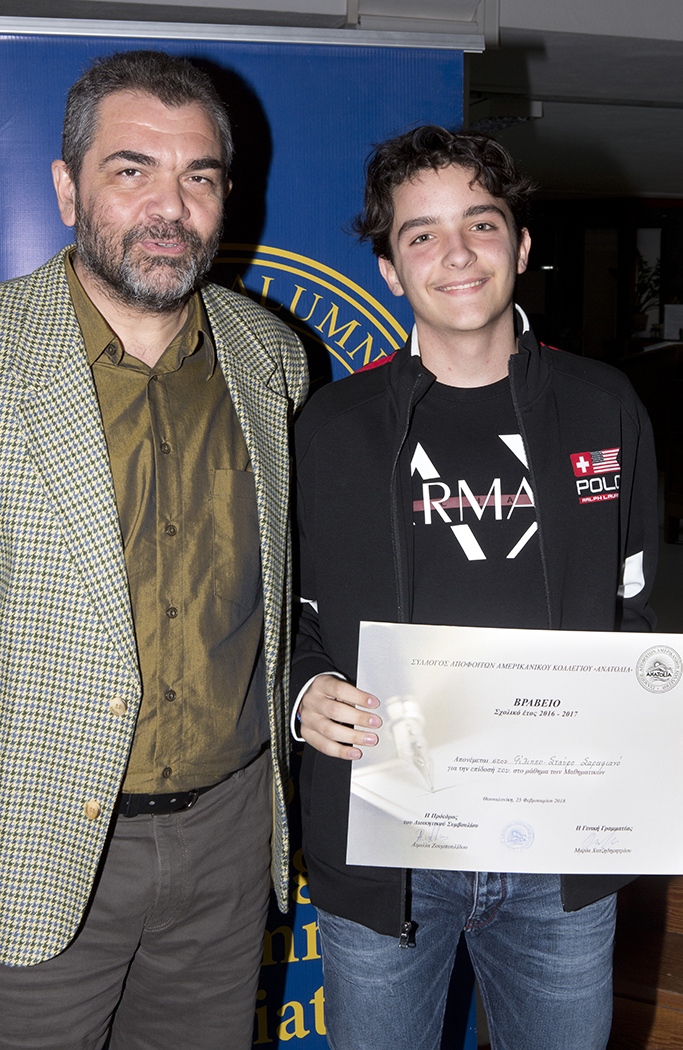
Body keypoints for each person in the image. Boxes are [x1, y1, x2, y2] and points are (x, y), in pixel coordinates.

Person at [291, 126, 659, 1050]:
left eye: (481, 224)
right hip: (386, 854)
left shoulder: (605, 406)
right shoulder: (329, 428)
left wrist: (663, 718)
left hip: (562, 859)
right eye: (422, 234)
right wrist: (305, 692)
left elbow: (636, 608)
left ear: (521, 246)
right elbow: (286, 610)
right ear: (388, 269)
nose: (456, 254)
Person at [0, 50, 307, 1050]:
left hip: (226, 844)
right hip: (32, 846)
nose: (170, 208)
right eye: (132, 170)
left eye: (198, 176)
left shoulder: (272, 357)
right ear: (67, 188)